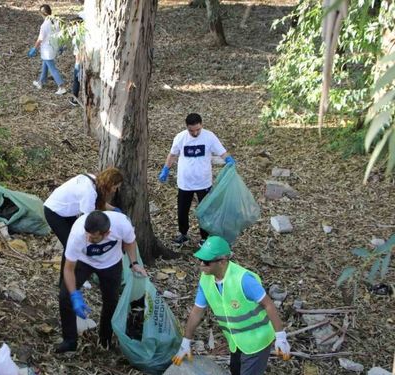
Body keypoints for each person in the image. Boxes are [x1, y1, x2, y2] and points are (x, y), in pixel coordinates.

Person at [172, 236, 291, 374]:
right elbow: (197, 311)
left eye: (206, 261)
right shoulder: (205, 279)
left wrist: (280, 337)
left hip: (257, 341)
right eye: (200, 260)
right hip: (236, 342)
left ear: (222, 262)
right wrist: (186, 342)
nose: (201, 264)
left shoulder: (243, 280)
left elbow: (268, 304)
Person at [56, 210, 147, 353]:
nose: (88, 238)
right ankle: (69, 340)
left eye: (93, 237)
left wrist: (134, 263)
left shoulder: (122, 224)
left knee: (111, 301)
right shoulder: (78, 234)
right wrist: (74, 294)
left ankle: (105, 339)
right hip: (84, 261)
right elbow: (68, 269)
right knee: (65, 296)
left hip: (111, 263)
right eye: (87, 234)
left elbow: (130, 242)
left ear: (106, 233)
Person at [158, 113, 234, 246]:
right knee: (182, 210)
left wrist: (228, 159)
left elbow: (221, 152)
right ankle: (183, 234)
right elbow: (172, 155)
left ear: (201, 125)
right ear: (187, 127)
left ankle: (204, 237)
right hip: (185, 182)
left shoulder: (209, 137)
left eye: (197, 129)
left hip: (203, 181)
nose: (195, 133)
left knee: (205, 211)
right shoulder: (180, 137)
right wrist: (166, 168)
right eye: (191, 130)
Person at [43, 167, 123, 282]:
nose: (115, 191)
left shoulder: (95, 181)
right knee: (71, 245)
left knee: (78, 244)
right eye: (115, 187)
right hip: (54, 211)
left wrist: (115, 209)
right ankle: (65, 280)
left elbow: (98, 202)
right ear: (109, 184)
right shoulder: (89, 192)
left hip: (66, 211)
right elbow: (88, 221)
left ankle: (76, 274)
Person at [27, 4, 67, 95]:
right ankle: (41, 82)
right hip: (54, 47)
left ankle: (61, 86)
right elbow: (60, 35)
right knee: (45, 64)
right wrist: (61, 46)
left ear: (41, 14)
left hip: (47, 50)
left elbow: (40, 39)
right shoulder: (56, 21)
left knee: (52, 68)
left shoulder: (44, 25)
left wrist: (34, 48)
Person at [68, 13, 85, 107]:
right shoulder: (83, 35)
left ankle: (74, 98)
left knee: (76, 80)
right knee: (77, 80)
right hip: (80, 61)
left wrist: (78, 64)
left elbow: (79, 52)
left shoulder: (78, 38)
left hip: (80, 62)